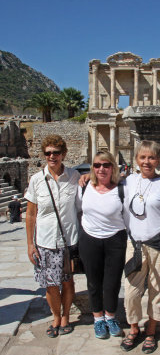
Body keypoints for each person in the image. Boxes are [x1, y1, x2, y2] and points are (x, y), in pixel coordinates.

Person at [120, 140, 160, 354]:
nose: (147, 161)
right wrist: (83, 177)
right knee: (131, 292)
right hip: (135, 245)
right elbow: (103, 183)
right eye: (143, 157)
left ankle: (151, 332)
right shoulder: (128, 182)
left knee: (158, 291)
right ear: (136, 159)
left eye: (151, 157)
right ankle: (134, 328)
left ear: (158, 160)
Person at [25, 135, 80, 338]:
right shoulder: (37, 180)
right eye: (48, 153)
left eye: (56, 152)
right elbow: (31, 214)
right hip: (46, 242)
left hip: (68, 241)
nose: (52, 156)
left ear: (63, 154)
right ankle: (56, 316)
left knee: (67, 282)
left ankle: (66, 316)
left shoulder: (75, 177)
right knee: (50, 285)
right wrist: (30, 244)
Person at [78, 151, 127, 339]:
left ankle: (111, 316)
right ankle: (98, 319)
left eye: (106, 165)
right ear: (92, 167)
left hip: (115, 238)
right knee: (93, 281)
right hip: (89, 238)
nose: (101, 169)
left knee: (112, 282)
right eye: (97, 165)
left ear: (113, 167)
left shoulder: (122, 188)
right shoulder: (84, 186)